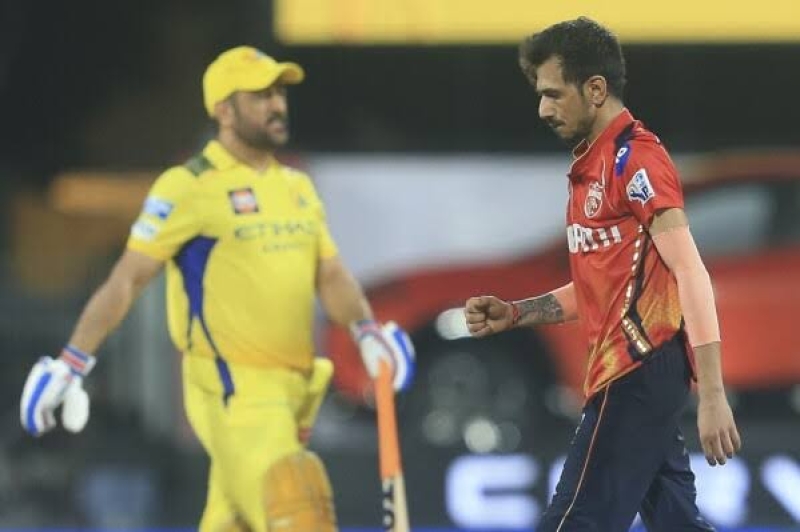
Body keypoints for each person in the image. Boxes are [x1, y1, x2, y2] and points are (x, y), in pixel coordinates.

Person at [20, 46, 414, 532]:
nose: (277, 105)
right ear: (224, 110)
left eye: (279, 93)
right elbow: (128, 278)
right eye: (260, 96)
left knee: (231, 520)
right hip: (233, 388)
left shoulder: (296, 187)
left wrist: (365, 331)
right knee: (297, 501)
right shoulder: (188, 187)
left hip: (292, 394)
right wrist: (72, 362)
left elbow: (329, 275)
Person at [464, 18, 740, 531]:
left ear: (595, 89)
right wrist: (516, 313)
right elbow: (599, 288)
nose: (543, 109)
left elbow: (690, 271)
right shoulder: (593, 165)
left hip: (634, 370)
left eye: (552, 94)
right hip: (636, 373)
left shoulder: (635, 160)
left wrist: (713, 393)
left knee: (574, 521)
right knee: (676, 523)